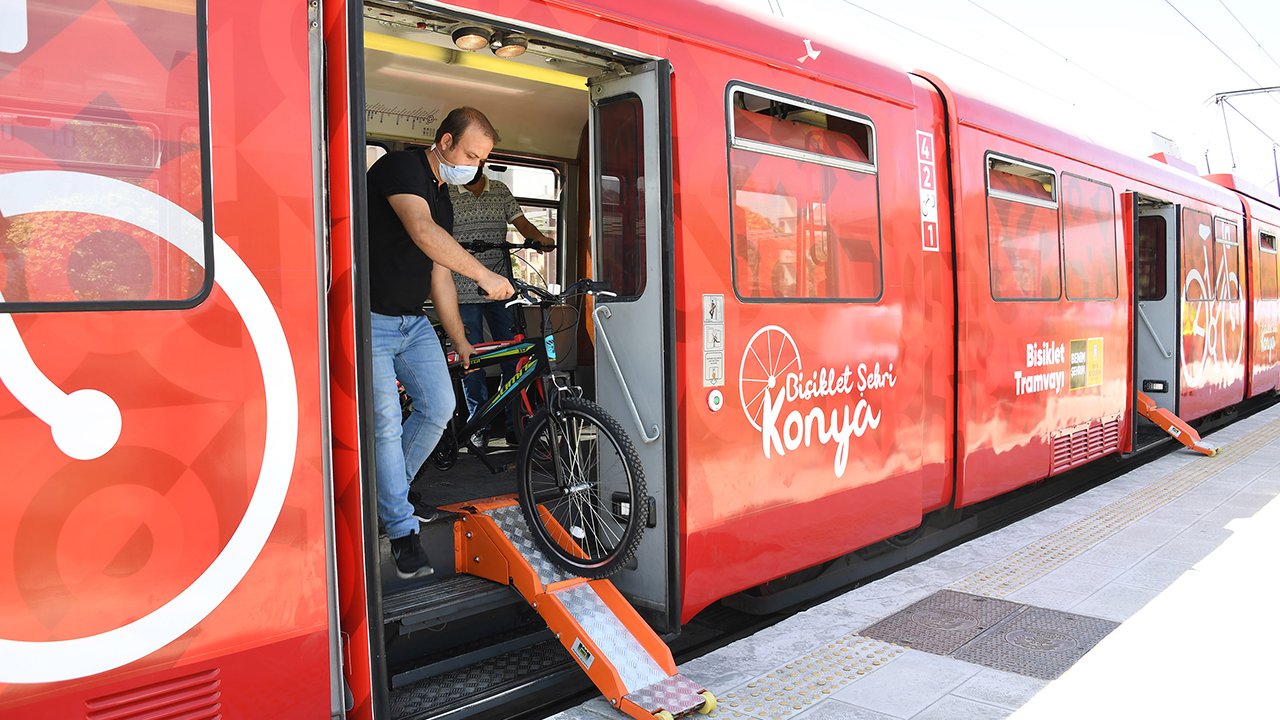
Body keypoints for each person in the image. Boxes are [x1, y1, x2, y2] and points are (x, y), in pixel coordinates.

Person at [366, 107, 515, 579]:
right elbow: (422, 232)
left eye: (482, 159)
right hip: (369, 320)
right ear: (446, 141)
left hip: (413, 323)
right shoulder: (400, 167)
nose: (474, 166)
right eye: (470, 154)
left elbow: (439, 274)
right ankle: (401, 528)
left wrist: (461, 339)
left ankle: (391, 491)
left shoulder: (444, 196)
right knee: (387, 421)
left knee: (439, 406)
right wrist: (486, 275)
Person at [449, 162, 555, 446]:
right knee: (471, 360)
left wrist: (539, 239)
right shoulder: (447, 193)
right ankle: (478, 425)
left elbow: (521, 223)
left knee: (514, 353)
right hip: (461, 289)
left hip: (500, 287)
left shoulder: (499, 190)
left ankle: (516, 425)